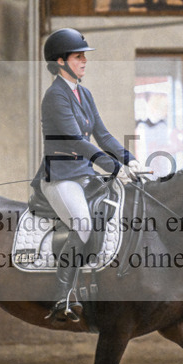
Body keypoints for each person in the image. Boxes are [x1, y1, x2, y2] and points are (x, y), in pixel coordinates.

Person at [31, 28, 143, 323]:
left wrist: (132, 161)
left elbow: (102, 135)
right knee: (82, 225)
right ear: (60, 61)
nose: (84, 61)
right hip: (61, 178)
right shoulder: (55, 96)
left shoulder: (84, 93)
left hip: (84, 174)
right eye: (78, 56)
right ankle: (62, 296)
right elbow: (75, 141)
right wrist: (114, 168)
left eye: (84, 57)